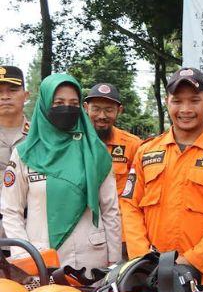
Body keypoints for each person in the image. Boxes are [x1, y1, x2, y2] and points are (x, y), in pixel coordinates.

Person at [121, 67, 203, 284]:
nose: (185, 109)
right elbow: (130, 206)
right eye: (177, 101)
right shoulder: (147, 151)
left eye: (194, 100)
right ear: (167, 102)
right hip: (148, 274)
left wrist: (191, 261)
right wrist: (142, 258)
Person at [1, 74, 121, 269]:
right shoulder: (25, 154)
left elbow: (110, 210)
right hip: (40, 259)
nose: (67, 108)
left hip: (92, 262)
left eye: (74, 103)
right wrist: (24, 256)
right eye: (59, 102)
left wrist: (114, 262)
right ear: (45, 104)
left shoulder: (94, 151)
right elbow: (11, 210)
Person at [83, 83, 142, 256]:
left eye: (109, 110)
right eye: (96, 109)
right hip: (84, 231)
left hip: (122, 233)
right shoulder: (74, 143)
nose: (102, 116)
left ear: (119, 110)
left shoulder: (133, 145)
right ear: (86, 108)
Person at [0, 65, 29, 241]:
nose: (5, 96)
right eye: (0, 91)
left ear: (26, 95)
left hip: (28, 232)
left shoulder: (39, 138)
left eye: (12, 90)